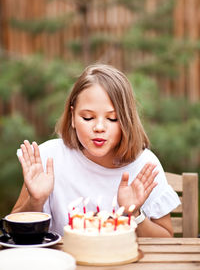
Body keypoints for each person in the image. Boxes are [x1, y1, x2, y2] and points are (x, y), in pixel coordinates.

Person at [12, 64, 180, 237]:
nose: (99, 127)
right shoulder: (49, 158)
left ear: (127, 120)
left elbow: (166, 238)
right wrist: (36, 200)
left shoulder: (144, 165)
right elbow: (13, 232)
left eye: (112, 118)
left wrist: (134, 214)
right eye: (88, 117)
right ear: (72, 117)